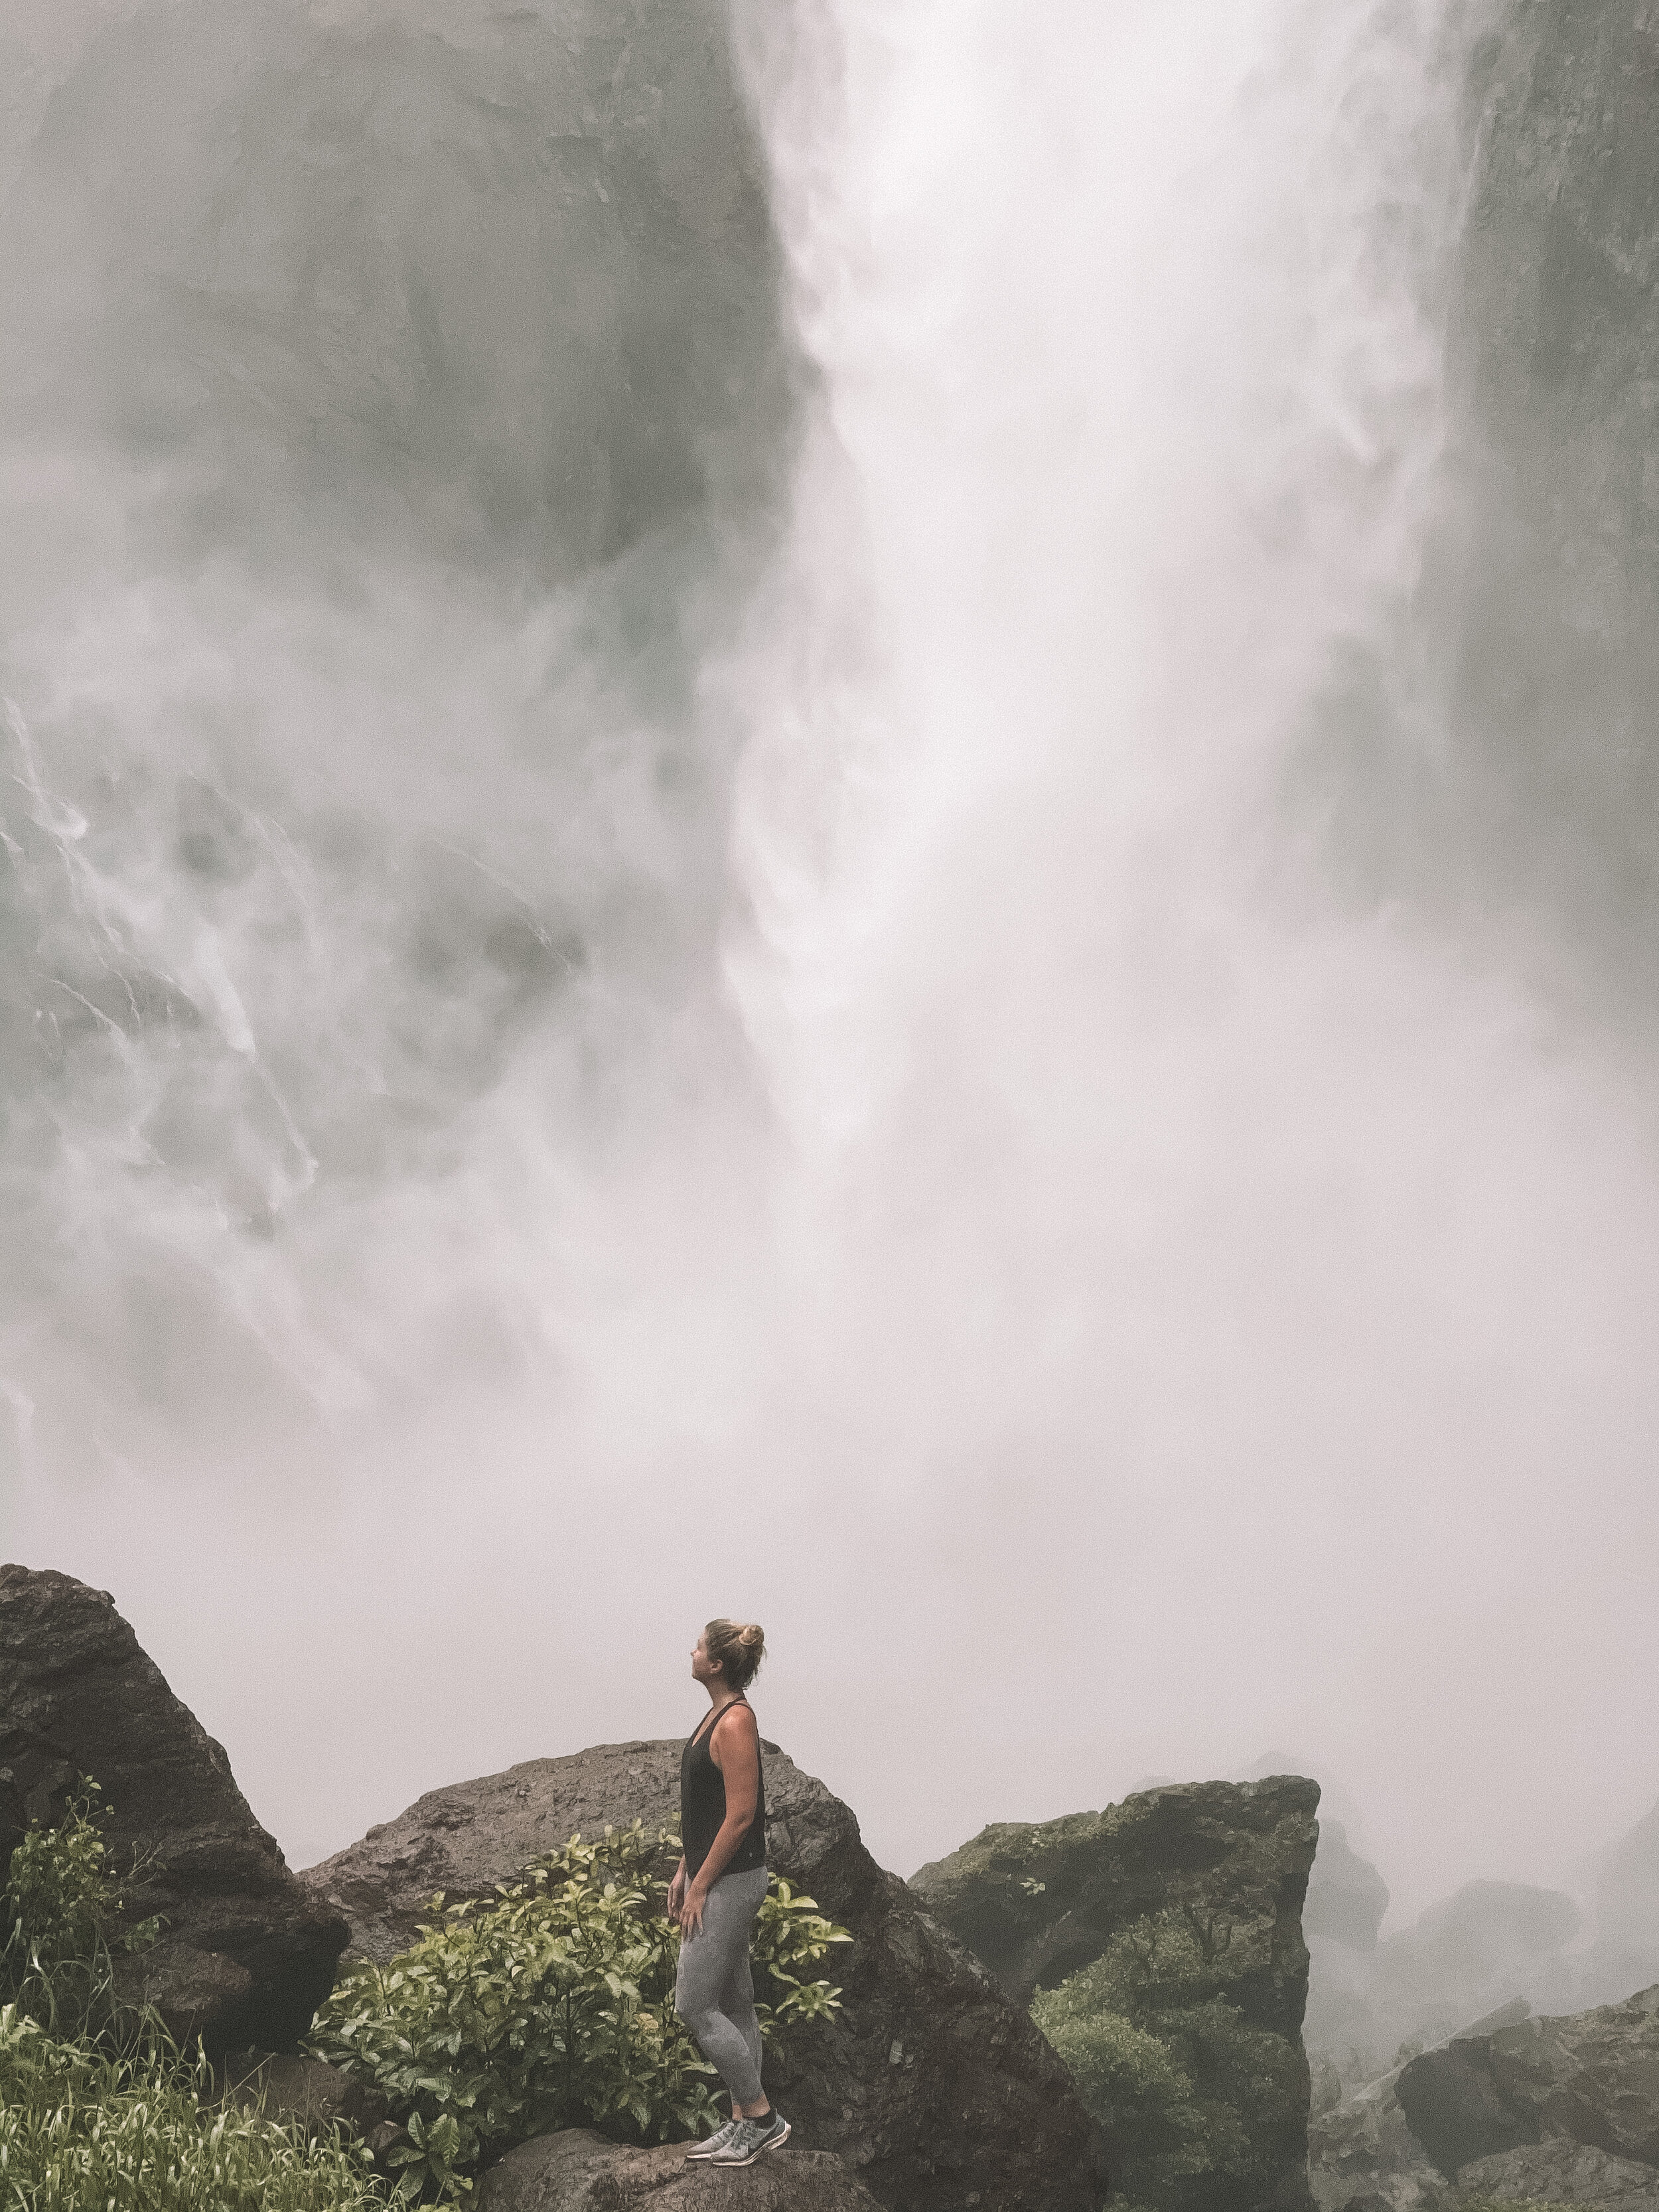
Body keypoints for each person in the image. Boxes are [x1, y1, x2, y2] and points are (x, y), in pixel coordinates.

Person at [670, 1618, 790, 2167]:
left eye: (699, 1647)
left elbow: (741, 1814)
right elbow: (708, 1807)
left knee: (694, 2005)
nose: (691, 1651)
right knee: (737, 2000)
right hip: (716, 1875)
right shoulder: (716, 1714)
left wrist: (703, 1886)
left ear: (716, 1664)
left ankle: (762, 2117)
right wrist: (684, 1869)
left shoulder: (736, 1721)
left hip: (732, 1881)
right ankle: (745, 2121)